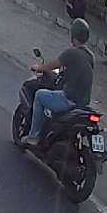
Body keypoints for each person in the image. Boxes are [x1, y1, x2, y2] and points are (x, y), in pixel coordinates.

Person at [20, 18, 95, 147]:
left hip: (69, 99)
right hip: (83, 103)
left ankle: (33, 137)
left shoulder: (72, 52)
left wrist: (39, 67)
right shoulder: (90, 56)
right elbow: (77, 71)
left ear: (73, 35)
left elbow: (53, 65)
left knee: (39, 95)